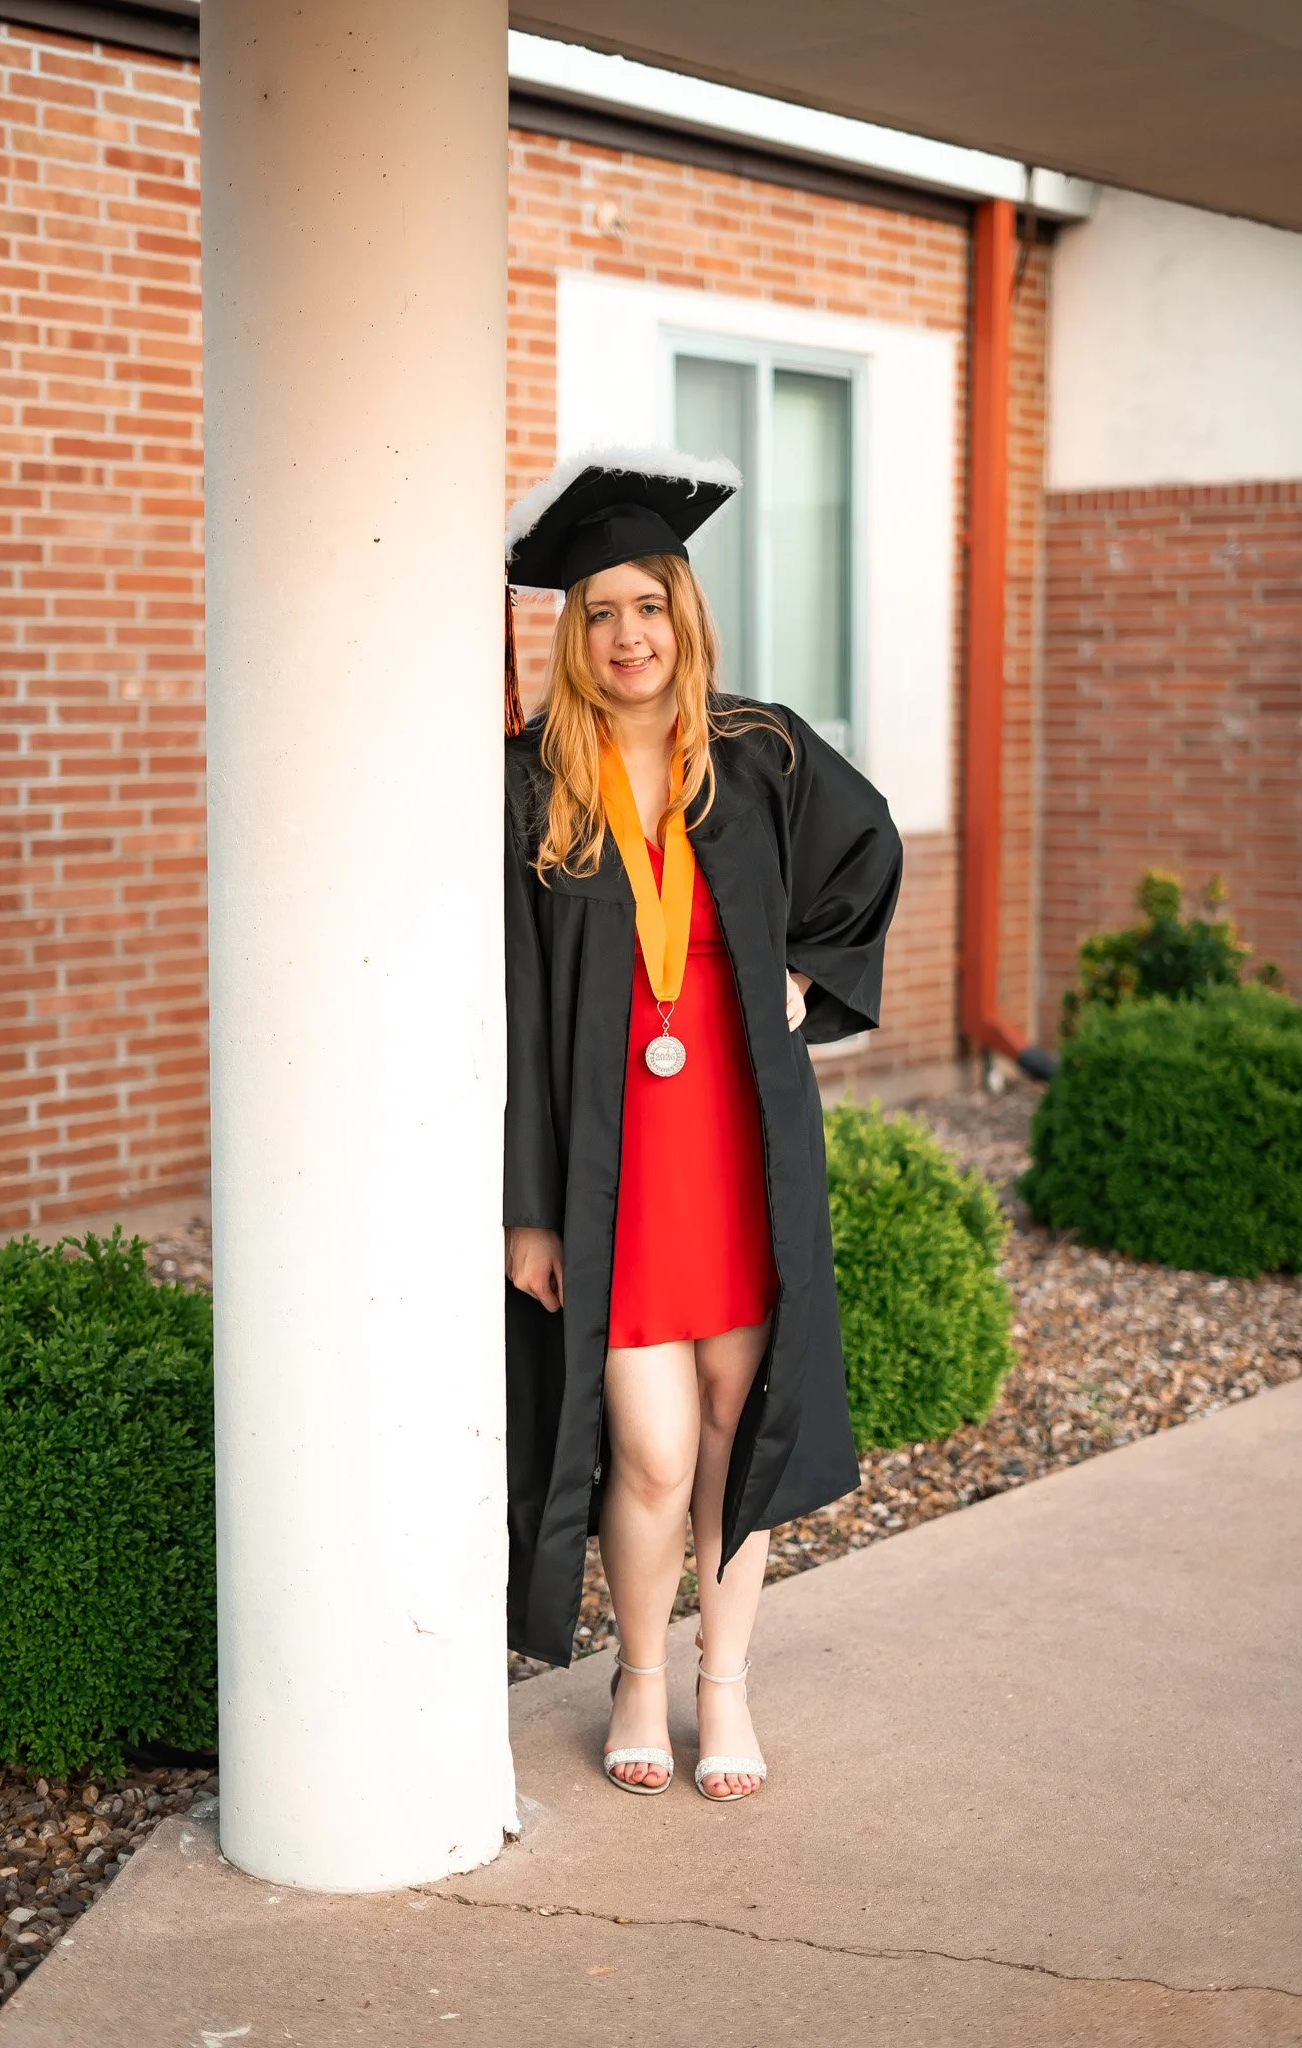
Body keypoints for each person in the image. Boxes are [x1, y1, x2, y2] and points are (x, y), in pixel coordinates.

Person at [502, 449, 903, 1801]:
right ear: (573, 634)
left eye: (648, 606)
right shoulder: (532, 786)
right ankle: (637, 1673)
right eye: (599, 613)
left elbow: (870, 849)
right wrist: (529, 1210)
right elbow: (511, 1009)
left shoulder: (758, 753)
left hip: (741, 1144)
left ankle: (721, 1685)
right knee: (654, 1449)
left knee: (742, 1421)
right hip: (612, 1163)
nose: (629, 636)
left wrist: (807, 980)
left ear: (684, 614)